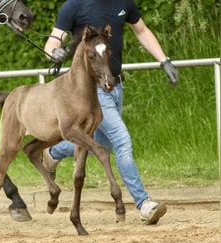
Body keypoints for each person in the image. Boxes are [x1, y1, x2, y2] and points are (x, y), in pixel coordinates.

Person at [43, 0, 179, 225]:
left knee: (102, 144)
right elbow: (52, 43)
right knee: (122, 141)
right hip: (91, 92)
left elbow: (142, 30)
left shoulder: (124, 2)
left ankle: (54, 153)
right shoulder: (74, 6)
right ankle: (143, 203)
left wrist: (164, 60)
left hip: (116, 87)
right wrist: (53, 53)